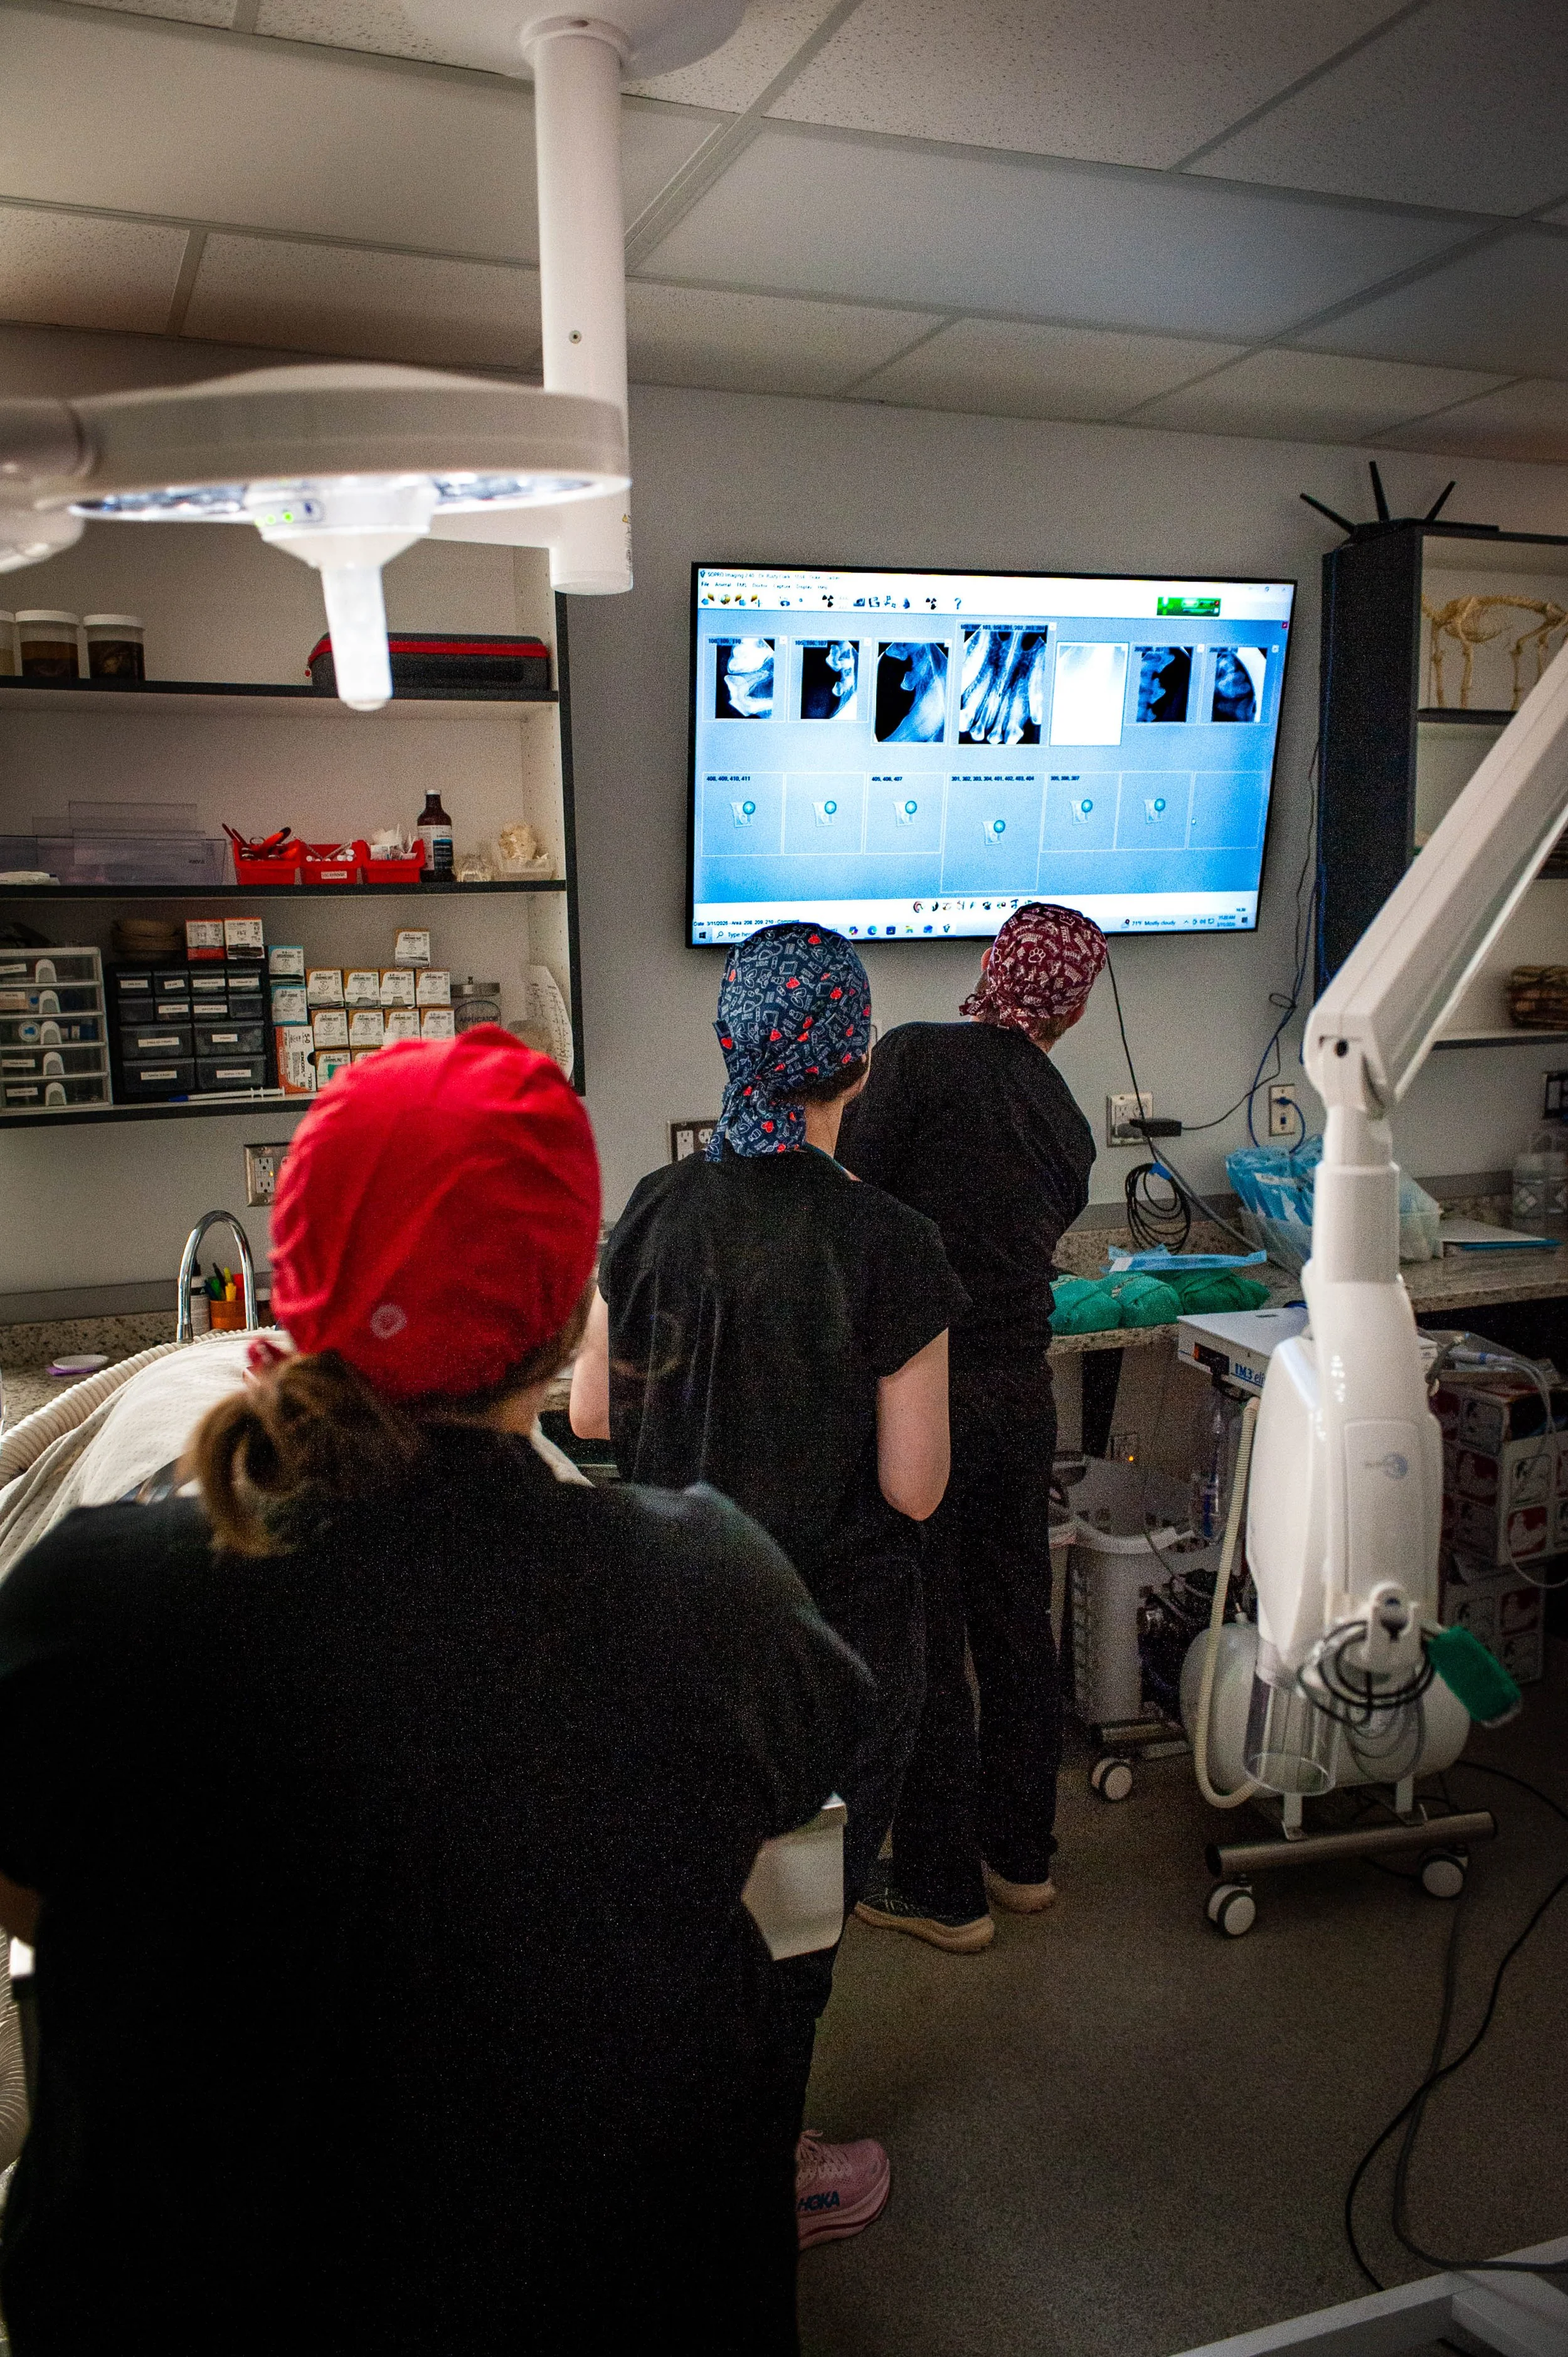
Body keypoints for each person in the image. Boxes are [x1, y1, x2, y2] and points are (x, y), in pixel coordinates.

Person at [0, 1028, 873, 2356]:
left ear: (292, 1299)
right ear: (571, 1313)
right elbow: (764, 1812)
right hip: (603, 2289)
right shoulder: (710, 1589)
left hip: (197, 2291)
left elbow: (30, 1892)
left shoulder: (99, 1603)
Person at [571, 922, 967, 2246]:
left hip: (663, 1627)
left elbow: (585, 1412)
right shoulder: (890, 1242)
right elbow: (914, 1489)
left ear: (732, 1047)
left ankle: (668, 2138)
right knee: (795, 1923)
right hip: (824, 1649)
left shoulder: (651, 1209)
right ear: (847, 1065)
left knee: (680, 1901)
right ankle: (765, 2171)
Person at [839, 902, 1106, 1952]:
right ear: (1072, 1008)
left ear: (994, 967)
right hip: (1019, 1392)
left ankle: (943, 1890)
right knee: (1014, 1623)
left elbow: (846, 1202)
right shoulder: (1067, 1120)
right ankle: (1022, 1860)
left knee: (929, 1633)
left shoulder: (914, 1058)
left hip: (925, 1388)